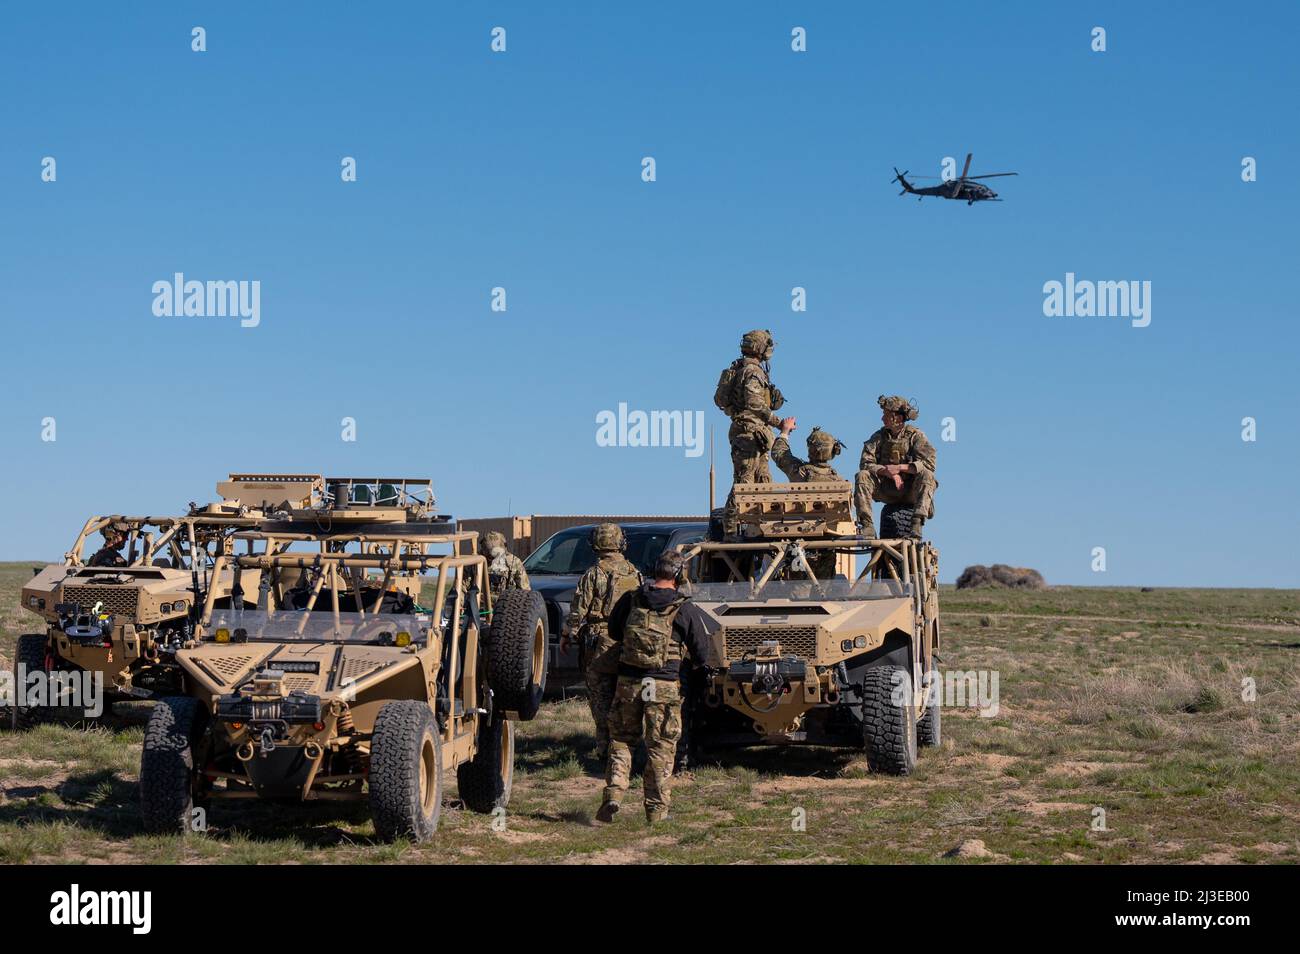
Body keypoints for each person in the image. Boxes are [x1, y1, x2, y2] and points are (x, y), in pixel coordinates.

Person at [597, 550, 713, 825]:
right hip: (663, 685)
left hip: (629, 683)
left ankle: (614, 793)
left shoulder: (632, 599)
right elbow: (702, 652)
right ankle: (656, 811)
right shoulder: (684, 607)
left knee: (622, 740)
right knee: (660, 748)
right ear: (679, 575)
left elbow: (614, 631)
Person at [560, 523, 643, 761]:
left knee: (600, 697)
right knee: (626, 696)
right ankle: (628, 747)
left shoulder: (594, 574)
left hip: (600, 643)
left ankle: (605, 748)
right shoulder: (633, 572)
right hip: (628, 641)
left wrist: (567, 634)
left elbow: (578, 611)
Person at [714, 329, 788, 535]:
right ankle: (729, 534)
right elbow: (755, 403)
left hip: (752, 433)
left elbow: (722, 402)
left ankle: (761, 528)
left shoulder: (738, 369)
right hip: (750, 433)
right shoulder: (753, 372)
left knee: (763, 482)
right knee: (744, 483)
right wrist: (779, 422)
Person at [853, 396, 938, 540]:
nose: (882, 419)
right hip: (887, 489)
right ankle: (867, 525)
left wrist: (899, 468)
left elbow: (929, 463)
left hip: (911, 490)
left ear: (897, 418)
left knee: (928, 476)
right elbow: (866, 463)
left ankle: (916, 523)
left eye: (886, 415)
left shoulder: (916, 436)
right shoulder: (878, 437)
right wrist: (887, 471)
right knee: (862, 475)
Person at [771, 418, 845, 581]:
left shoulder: (799, 472)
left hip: (799, 541)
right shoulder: (838, 482)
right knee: (823, 590)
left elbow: (779, 454)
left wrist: (785, 431)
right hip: (826, 543)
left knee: (798, 591)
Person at [480, 531, 530, 603]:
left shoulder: (513, 562)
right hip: (479, 608)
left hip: (507, 608)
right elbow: (463, 589)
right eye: (489, 556)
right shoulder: (475, 562)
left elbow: (525, 592)